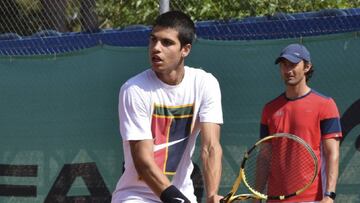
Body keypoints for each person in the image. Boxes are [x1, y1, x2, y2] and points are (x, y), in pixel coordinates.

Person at [111, 10, 223, 203]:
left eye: (167, 42)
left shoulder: (206, 84)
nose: (156, 48)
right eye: (153, 40)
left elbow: (210, 147)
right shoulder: (134, 89)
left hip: (183, 194)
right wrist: (175, 199)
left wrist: (212, 194)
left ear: (185, 50)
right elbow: (143, 161)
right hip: (135, 197)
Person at [259, 43, 342, 202]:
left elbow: (332, 153)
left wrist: (329, 194)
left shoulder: (325, 105)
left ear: (307, 67)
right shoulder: (269, 109)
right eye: (283, 65)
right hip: (274, 198)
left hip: (312, 199)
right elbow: (264, 157)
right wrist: (257, 197)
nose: (287, 70)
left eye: (293, 64)